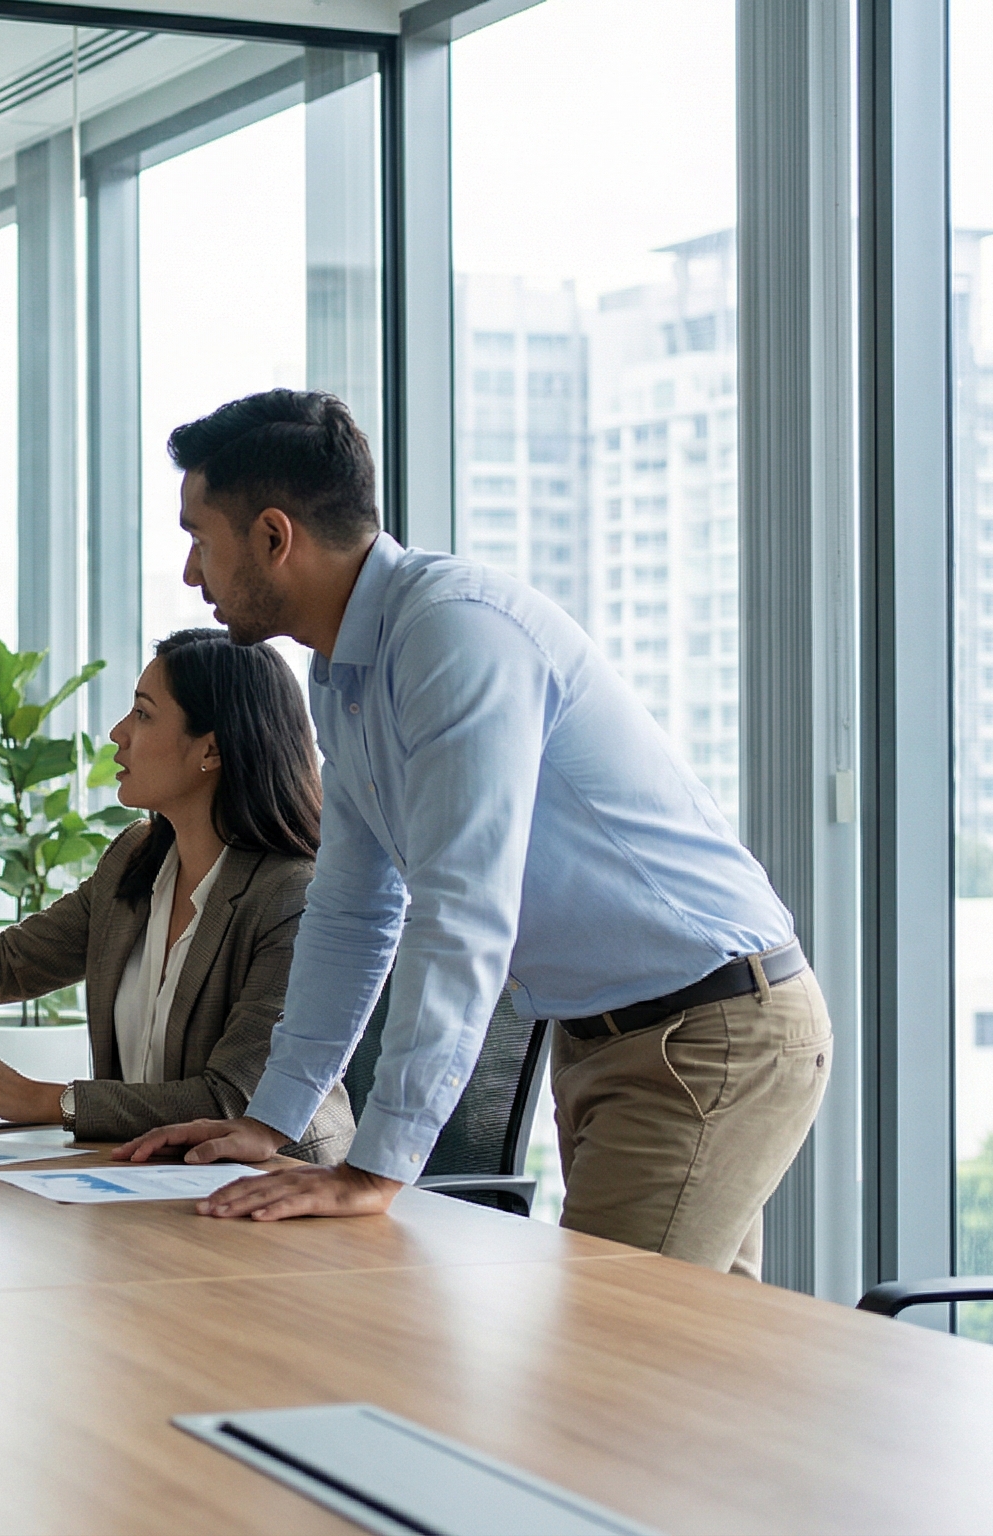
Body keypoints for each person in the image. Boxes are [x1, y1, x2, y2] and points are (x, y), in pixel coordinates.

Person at [116, 389, 829, 1280]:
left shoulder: (452, 636)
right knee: (691, 1380)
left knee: (617, 1369)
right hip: (615, 1033)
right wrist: (273, 1120)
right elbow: (351, 912)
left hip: (705, 1027)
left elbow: (461, 912)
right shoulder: (346, 675)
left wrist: (375, 1170)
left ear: (272, 536)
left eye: (199, 536)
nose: (191, 573)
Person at [0, 627, 351, 1158]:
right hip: (146, 1179)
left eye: (143, 715)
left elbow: (234, 1101)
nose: (118, 733)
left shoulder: (294, 897)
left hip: (280, 1194)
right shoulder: (135, 859)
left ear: (211, 750)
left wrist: (49, 1100)